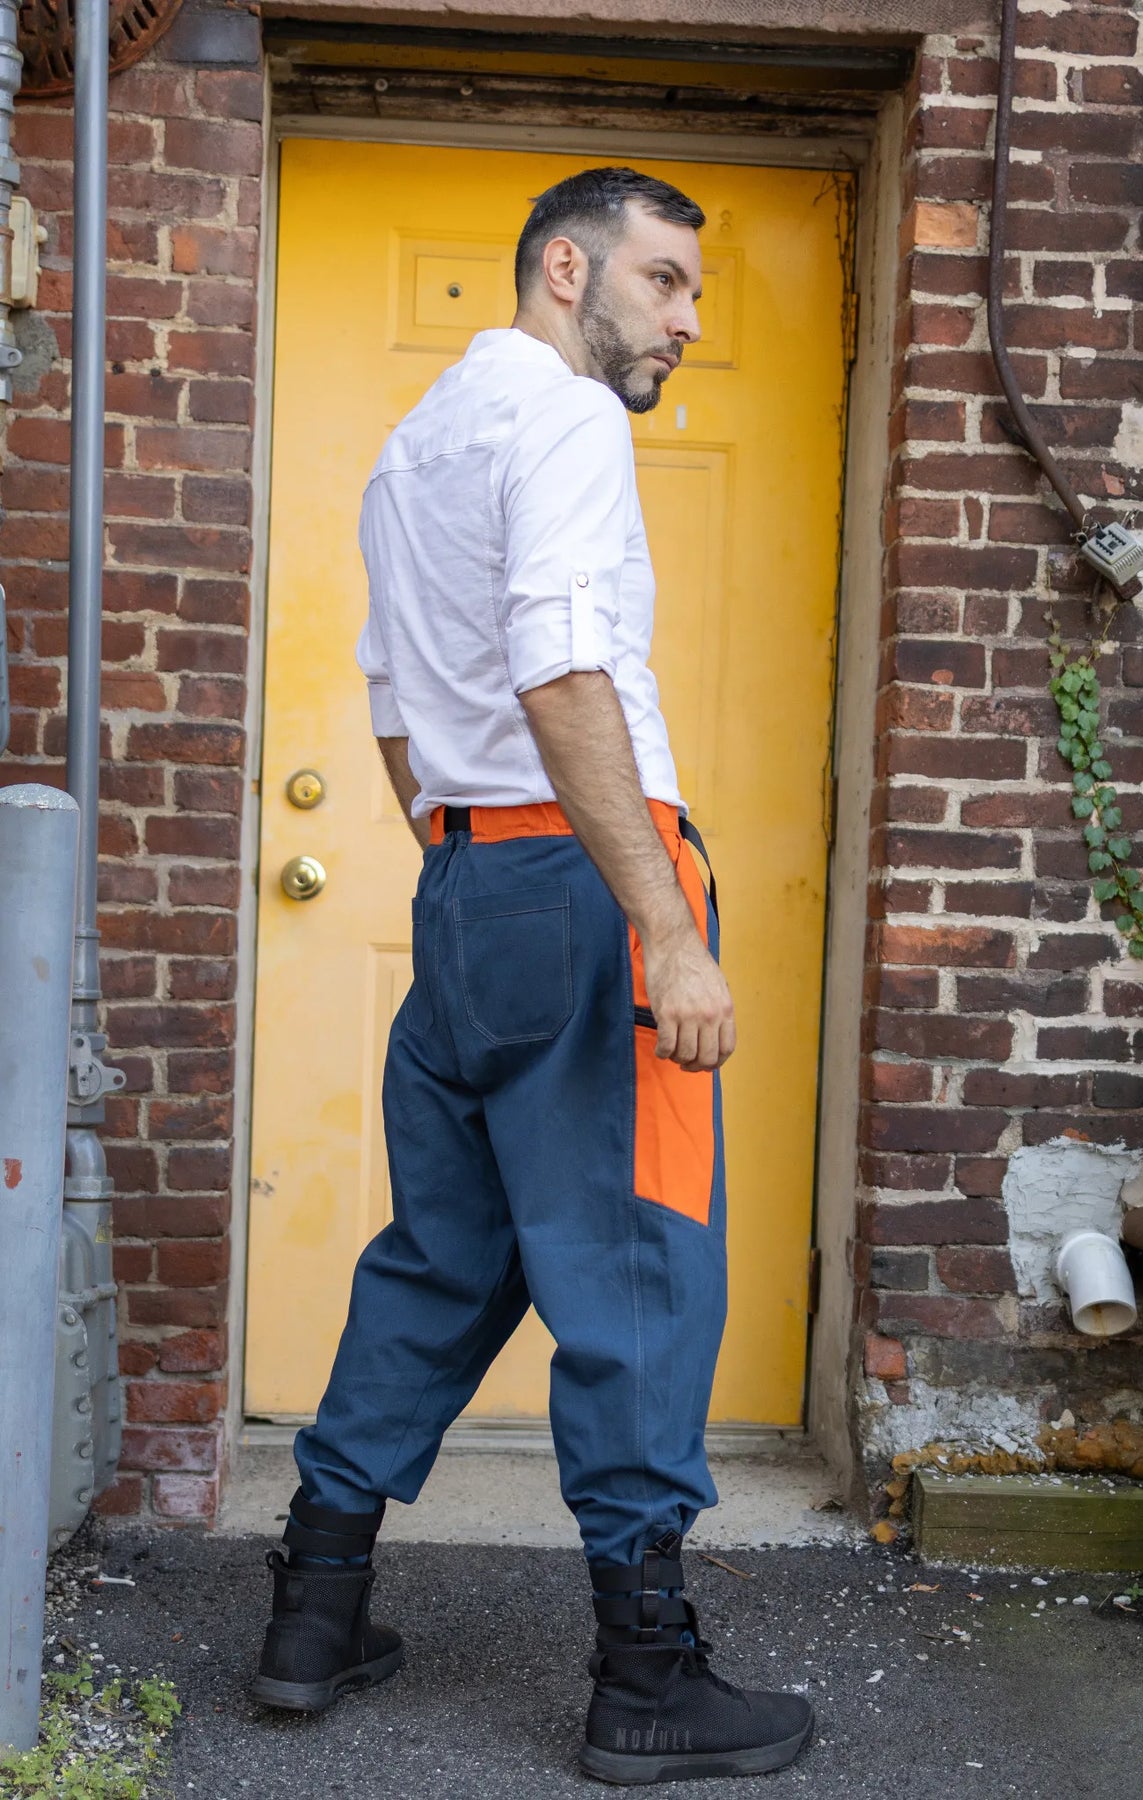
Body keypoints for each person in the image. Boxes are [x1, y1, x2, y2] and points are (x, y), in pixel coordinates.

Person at [251, 165, 814, 1784]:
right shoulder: (564, 421)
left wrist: (467, 871)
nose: (686, 321)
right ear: (565, 269)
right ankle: (647, 1680)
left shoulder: (416, 446)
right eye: (663, 282)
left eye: (692, 292)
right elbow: (564, 672)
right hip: (585, 880)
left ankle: (313, 1610)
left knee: (447, 1253)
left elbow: (393, 710)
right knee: (640, 1263)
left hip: (468, 877)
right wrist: (664, 928)